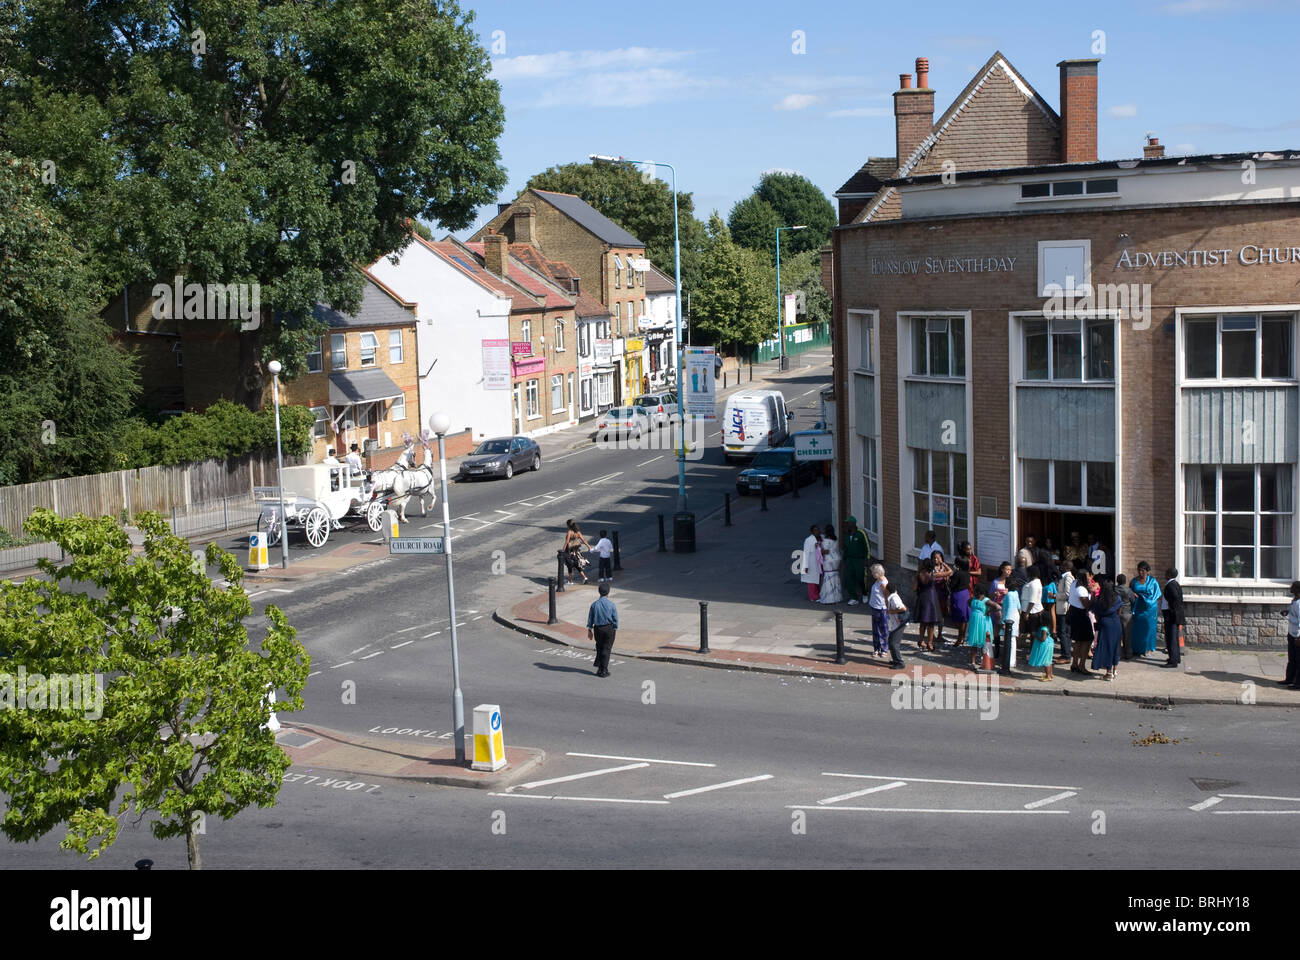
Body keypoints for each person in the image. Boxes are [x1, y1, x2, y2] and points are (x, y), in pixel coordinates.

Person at [1091, 579, 1123, 680]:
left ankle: (1108, 672)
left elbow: (1096, 615)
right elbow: (1119, 611)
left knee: (1107, 647)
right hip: (1116, 623)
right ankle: (1115, 669)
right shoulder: (1117, 598)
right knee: (1115, 646)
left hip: (1105, 624)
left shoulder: (1099, 600)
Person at [586, 583, 619, 678]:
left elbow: (590, 619)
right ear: (608, 592)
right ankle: (604, 670)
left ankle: (600, 668)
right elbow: (615, 618)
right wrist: (615, 627)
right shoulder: (611, 605)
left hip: (598, 629)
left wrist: (589, 630)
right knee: (607, 649)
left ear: (599, 592)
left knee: (599, 647)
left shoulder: (594, 605)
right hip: (609, 628)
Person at [1130, 561, 1162, 657]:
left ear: (1147, 571)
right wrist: (1132, 594)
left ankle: (1148, 649)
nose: (1140, 572)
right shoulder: (1134, 581)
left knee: (1149, 628)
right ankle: (1137, 649)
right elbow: (1129, 591)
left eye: (1143, 571)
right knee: (1137, 629)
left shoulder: (1153, 581)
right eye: (1139, 570)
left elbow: (1157, 594)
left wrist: (1146, 600)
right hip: (1137, 608)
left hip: (1149, 609)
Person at [1068, 568, 1096, 675]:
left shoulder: (1074, 583)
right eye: (1088, 576)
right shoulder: (1081, 589)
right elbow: (1087, 605)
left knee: (1078, 641)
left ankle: (1074, 664)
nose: (1089, 578)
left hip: (1074, 612)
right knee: (1087, 639)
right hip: (1080, 614)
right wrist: (1093, 593)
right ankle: (1081, 665)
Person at [914, 559, 941, 652]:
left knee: (923, 622)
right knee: (931, 623)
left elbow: (914, 588)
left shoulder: (919, 575)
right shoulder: (933, 575)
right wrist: (942, 563)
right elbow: (949, 572)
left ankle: (921, 640)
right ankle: (930, 643)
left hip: (922, 598)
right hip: (932, 599)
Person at [841, 517, 869, 605]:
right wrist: (844, 559)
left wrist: (866, 559)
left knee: (861, 578)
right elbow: (846, 548)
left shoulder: (861, 533)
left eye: (848, 523)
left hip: (859, 560)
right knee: (849, 578)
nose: (846, 525)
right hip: (849, 560)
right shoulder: (847, 535)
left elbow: (866, 547)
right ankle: (853, 597)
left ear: (853, 524)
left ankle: (864, 593)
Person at [965, 584, 993, 669]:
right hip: (974, 623)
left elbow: (998, 606)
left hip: (983, 622)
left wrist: (989, 611)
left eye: (974, 590)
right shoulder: (973, 599)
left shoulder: (986, 600)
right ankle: (973, 661)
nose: (973, 592)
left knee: (983, 641)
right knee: (974, 642)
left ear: (979, 592)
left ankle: (983, 660)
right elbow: (968, 602)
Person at [1161, 567, 1185, 668]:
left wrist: (1171, 610)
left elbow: (1174, 599)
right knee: (1173, 637)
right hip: (1174, 614)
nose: (1164, 574)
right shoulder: (1175, 584)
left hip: (1171, 615)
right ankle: (1175, 657)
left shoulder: (1171, 585)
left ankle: (1173, 661)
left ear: (1170, 574)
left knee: (1171, 638)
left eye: (1166, 572)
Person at [930, 549, 953, 644]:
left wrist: (943, 564)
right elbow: (949, 572)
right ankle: (932, 636)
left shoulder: (943, 568)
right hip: (934, 594)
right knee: (932, 615)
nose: (936, 560)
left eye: (938, 558)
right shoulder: (931, 569)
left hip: (943, 594)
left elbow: (949, 574)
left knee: (942, 615)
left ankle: (940, 634)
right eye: (934, 558)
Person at [949, 557, 972, 647]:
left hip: (958, 595)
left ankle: (960, 637)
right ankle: (962, 636)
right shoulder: (967, 573)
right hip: (965, 594)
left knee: (958, 617)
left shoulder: (957, 574)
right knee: (964, 617)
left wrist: (948, 580)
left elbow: (952, 585)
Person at [885, 581, 909, 669]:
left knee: (893, 643)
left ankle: (900, 663)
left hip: (899, 624)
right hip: (897, 623)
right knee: (892, 641)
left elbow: (903, 608)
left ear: (887, 590)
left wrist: (891, 611)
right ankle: (896, 660)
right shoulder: (893, 597)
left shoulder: (894, 598)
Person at [818, 527, 844, 604]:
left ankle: (829, 598)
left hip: (828, 560)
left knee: (828, 578)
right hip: (836, 559)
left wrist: (819, 547)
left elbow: (825, 551)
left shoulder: (825, 541)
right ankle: (837, 598)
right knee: (835, 578)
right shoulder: (836, 539)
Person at [868, 563, 889, 655]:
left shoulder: (883, 583)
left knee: (883, 629)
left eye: (873, 572)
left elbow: (886, 596)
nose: (872, 574)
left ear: (878, 572)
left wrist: (887, 608)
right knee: (876, 629)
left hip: (881, 608)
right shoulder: (877, 581)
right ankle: (876, 648)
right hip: (875, 607)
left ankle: (884, 649)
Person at [563, 519, 591, 585]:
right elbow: (583, 540)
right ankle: (585, 578)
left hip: (569, 550)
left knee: (570, 565)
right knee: (576, 564)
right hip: (576, 550)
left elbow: (567, 542)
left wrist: (563, 551)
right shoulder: (578, 532)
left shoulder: (570, 532)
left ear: (568, 525)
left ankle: (570, 581)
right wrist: (589, 546)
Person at [1283, 581, 1300, 688]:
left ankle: (1298, 683)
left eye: (1292, 586)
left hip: (1297, 636)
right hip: (1291, 633)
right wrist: (1287, 611)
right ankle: (1289, 679)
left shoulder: (1299, 604)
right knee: (1292, 658)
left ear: (1297, 590)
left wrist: (1299, 637)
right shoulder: (1294, 601)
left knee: (1299, 660)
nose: (1290, 587)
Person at [1115, 574, 1136, 661]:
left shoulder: (1114, 589)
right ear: (1125, 581)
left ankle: (1119, 653)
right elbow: (1133, 601)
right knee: (1127, 636)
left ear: (1117, 581)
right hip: (1127, 613)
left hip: (1116, 614)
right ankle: (1128, 653)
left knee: (1118, 636)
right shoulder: (1129, 590)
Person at [801, 525, 823, 602]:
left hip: (818, 564)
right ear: (812, 532)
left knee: (817, 580)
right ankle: (813, 597)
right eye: (816, 530)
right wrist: (805, 566)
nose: (818, 531)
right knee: (811, 581)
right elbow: (806, 553)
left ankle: (818, 594)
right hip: (811, 564)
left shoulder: (820, 538)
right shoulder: (808, 540)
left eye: (818, 529)